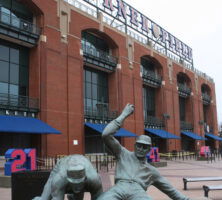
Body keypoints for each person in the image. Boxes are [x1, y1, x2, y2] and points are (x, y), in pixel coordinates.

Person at [97, 103, 191, 200]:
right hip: (118, 189)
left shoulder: (151, 171)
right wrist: (124, 114)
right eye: (139, 145)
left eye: (145, 147)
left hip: (138, 192)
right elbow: (106, 135)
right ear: (135, 145)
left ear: (149, 150)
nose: (141, 149)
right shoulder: (123, 154)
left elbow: (171, 191)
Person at [32, 154, 103, 200]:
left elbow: (98, 197)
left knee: (78, 196)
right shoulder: (59, 179)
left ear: (85, 179)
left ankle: (73, 197)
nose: (76, 187)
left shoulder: (94, 179)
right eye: (74, 184)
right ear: (68, 179)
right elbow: (57, 198)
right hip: (62, 164)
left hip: (84, 163)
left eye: (79, 183)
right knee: (44, 198)